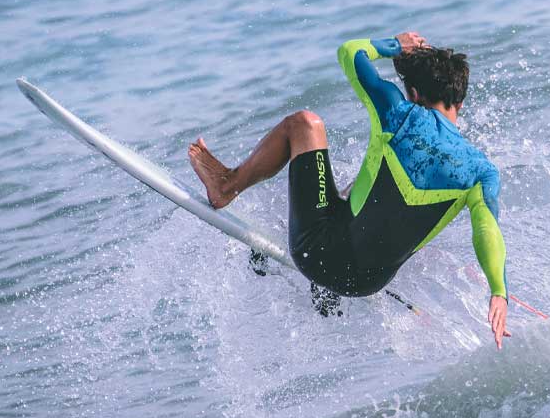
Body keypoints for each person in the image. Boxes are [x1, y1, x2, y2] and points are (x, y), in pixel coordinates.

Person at [188, 32, 511, 348]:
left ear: (412, 93)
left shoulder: (398, 113)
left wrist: (396, 45)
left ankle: (225, 186)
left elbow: (350, 51)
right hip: (368, 283)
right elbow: (487, 231)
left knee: (304, 123)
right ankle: (328, 290)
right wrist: (498, 291)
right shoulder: (482, 171)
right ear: (461, 102)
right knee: (367, 191)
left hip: (317, 252)